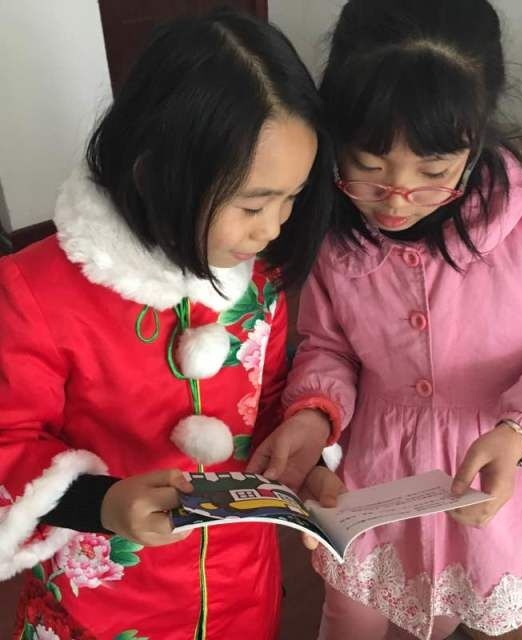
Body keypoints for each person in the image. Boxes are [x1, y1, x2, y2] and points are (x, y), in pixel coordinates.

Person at [248, 1, 522, 637]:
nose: (397, 198)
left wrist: (520, 433)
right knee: (350, 609)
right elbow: (328, 347)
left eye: (433, 172)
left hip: (486, 469)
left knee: (453, 604)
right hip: (373, 473)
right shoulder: (336, 228)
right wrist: (314, 416)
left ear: (475, 140)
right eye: (368, 166)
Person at [0, 9, 335, 639]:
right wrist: (103, 503)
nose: (272, 228)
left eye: (291, 199)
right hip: (103, 610)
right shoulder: (36, 291)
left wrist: (300, 453)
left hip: (243, 588)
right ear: (157, 170)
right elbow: (6, 441)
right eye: (253, 205)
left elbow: (267, 397)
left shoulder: (257, 280)